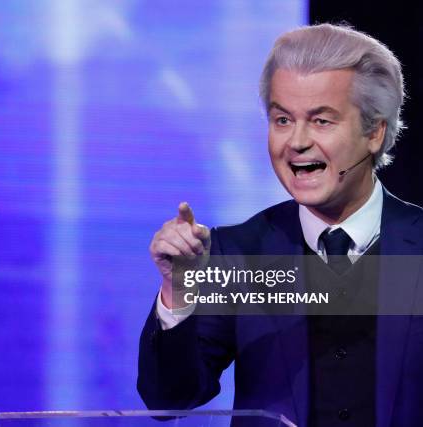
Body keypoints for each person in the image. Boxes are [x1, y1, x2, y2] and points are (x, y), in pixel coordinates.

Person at [137, 24, 423, 427]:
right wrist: (177, 291)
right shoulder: (239, 252)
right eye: (283, 119)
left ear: (374, 132)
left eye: (321, 121)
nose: (296, 142)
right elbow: (170, 399)